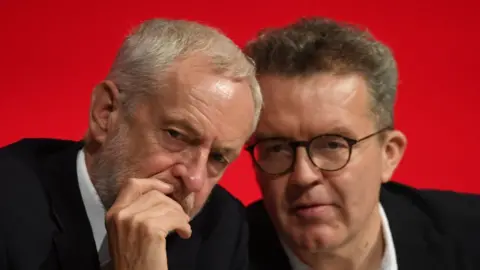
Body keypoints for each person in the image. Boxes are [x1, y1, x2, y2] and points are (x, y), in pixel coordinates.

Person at [0, 18, 262, 270]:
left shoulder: (221, 228)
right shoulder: (8, 200)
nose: (194, 180)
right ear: (106, 112)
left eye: (218, 157)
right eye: (176, 135)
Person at [243, 17, 480, 270]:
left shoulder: (471, 237)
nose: (302, 176)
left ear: (389, 154)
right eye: (277, 148)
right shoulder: (217, 256)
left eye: (333, 145)